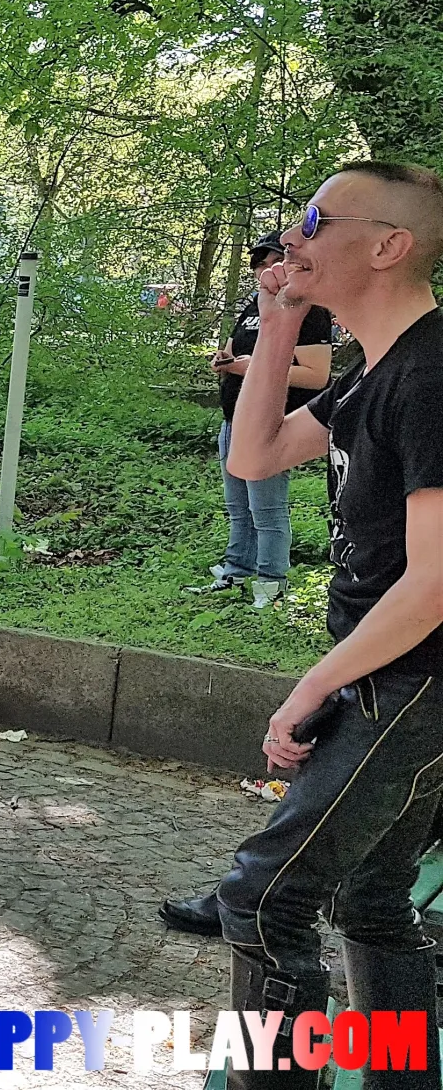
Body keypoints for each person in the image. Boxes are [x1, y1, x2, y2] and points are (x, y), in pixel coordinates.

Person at [210, 162, 443, 1084]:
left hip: (415, 679)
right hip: (392, 674)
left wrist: (313, 686)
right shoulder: (378, 369)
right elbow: (257, 453)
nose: (291, 235)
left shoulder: (432, 374)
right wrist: (278, 322)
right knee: (374, 900)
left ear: (389, 246)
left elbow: (433, 586)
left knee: (262, 898)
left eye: (315, 219)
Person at [184, 231, 335, 608]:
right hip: (234, 419)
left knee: (266, 508)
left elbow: (317, 375)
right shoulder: (254, 305)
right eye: (259, 263)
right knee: (238, 506)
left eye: (275, 261)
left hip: (272, 422)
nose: (266, 269)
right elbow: (233, 350)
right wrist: (224, 360)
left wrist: (254, 367)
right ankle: (236, 571)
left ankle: (271, 583)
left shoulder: (310, 308)